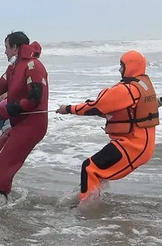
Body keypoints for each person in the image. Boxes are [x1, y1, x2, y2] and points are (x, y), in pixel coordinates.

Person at [56, 50, 159, 202]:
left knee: (89, 168)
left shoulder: (127, 90)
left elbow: (95, 107)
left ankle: (84, 213)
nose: (119, 69)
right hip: (142, 145)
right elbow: (128, 111)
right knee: (98, 171)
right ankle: (96, 205)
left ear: (130, 66)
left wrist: (67, 109)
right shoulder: (142, 86)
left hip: (133, 147)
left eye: (121, 66)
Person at [0, 31, 48, 199]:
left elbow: (35, 98)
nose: (5, 52)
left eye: (6, 47)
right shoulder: (13, 68)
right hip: (18, 124)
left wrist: (9, 109)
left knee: (3, 166)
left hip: (33, 126)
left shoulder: (34, 66)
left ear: (15, 47)